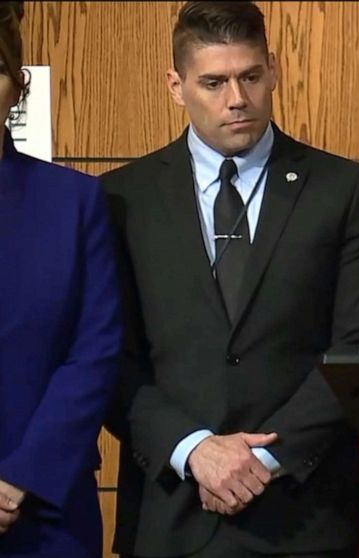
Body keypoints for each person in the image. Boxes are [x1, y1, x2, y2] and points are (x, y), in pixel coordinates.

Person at [100, 3, 359, 557]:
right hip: (172, 514)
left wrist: (258, 461)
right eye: (213, 82)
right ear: (175, 84)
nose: (237, 99)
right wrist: (194, 450)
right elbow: (109, 356)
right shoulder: (123, 199)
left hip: (302, 517)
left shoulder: (344, 190)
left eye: (251, 77)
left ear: (275, 69)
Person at [0, 2, 122, 556]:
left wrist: (23, 476)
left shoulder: (73, 201)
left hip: (46, 506)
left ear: (16, 86)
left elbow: (95, 350)